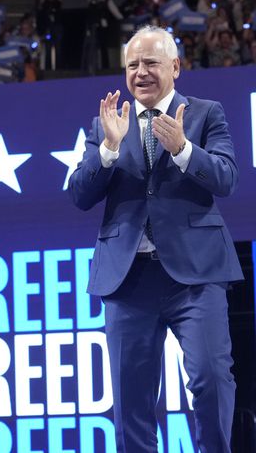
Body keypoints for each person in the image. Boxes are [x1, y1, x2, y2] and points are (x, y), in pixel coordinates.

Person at [68, 25, 243, 452]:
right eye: (132, 65)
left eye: (150, 63)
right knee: (132, 400)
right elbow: (79, 195)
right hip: (128, 282)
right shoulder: (106, 124)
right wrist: (108, 149)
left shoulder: (205, 113)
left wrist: (183, 148)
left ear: (175, 67)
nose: (140, 72)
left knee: (212, 379)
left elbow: (226, 179)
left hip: (195, 277)